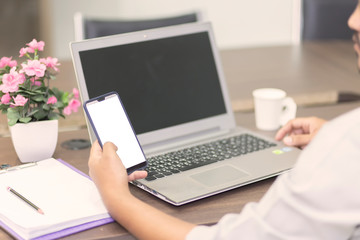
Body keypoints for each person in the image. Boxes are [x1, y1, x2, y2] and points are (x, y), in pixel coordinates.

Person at [88, 2, 360, 239]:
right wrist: (335, 140)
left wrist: (116, 197)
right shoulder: (345, 143)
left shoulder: (345, 146)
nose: (352, 19)